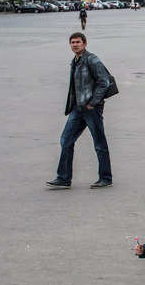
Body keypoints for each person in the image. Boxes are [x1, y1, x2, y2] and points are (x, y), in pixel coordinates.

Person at [46, 32, 113, 189]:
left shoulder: (92, 59)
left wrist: (93, 102)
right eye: (72, 42)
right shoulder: (75, 61)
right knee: (66, 140)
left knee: (99, 143)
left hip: (91, 109)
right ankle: (63, 177)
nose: (75, 44)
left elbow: (104, 82)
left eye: (78, 42)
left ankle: (105, 178)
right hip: (77, 108)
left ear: (84, 43)